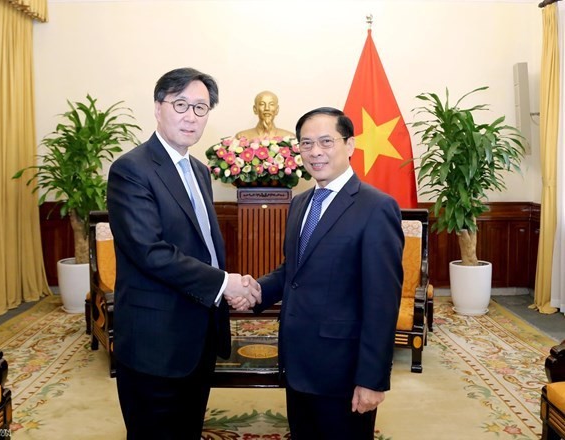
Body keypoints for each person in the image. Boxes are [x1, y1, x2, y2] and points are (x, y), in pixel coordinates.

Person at [107, 67, 261, 440]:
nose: (190, 117)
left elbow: (201, 245)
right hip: (155, 340)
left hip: (198, 332)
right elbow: (149, 251)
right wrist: (225, 283)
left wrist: (226, 286)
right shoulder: (131, 169)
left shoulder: (198, 170)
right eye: (180, 105)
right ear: (158, 108)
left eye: (200, 108)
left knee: (188, 428)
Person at [250, 107, 404, 439]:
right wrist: (254, 291)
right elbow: (293, 271)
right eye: (306, 144)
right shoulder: (301, 203)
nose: (315, 152)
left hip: (343, 372)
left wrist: (372, 379)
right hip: (298, 363)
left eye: (325, 141)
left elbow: (382, 303)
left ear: (349, 145)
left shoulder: (376, 207)